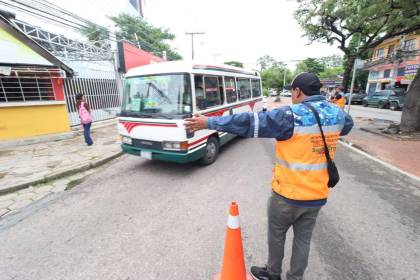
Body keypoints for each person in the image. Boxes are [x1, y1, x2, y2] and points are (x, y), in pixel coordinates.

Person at [185, 73, 353, 280]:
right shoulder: (337, 113)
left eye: (292, 92)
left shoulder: (290, 115)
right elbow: (347, 126)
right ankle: (295, 277)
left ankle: (273, 274)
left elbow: (248, 122)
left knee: (277, 236)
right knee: (303, 240)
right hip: (317, 194)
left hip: (287, 195)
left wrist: (209, 123)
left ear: (297, 91)